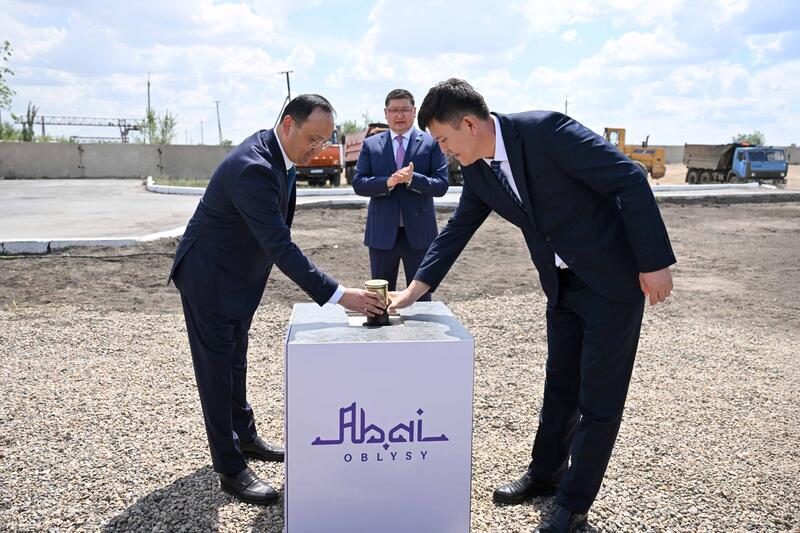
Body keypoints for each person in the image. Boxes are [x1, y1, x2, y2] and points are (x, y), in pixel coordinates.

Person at [389, 79, 675, 533]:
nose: (443, 151)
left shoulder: (547, 132)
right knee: (560, 386)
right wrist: (413, 291)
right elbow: (458, 229)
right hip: (560, 284)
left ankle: (574, 504)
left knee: (599, 398)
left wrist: (654, 261)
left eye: (443, 139)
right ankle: (546, 474)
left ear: (469, 124)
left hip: (611, 280)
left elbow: (629, 177)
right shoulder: (479, 170)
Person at [168, 94, 385, 505]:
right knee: (216, 374)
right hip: (209, 279)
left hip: (239, 279)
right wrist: (342, 296)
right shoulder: (252, 167)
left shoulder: (282, 157)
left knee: (236, 361)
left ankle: (245, 437)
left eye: (325, 142)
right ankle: (230, 467)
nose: (317, 149)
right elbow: (281, 246)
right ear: (288, 124)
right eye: (312, 139)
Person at [352, 88, 449, 299]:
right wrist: (388, 182)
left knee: (421, 298)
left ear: (414, 111)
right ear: (385, 113)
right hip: (382, 234)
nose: (399, 115)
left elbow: (441, 185)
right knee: (380, 297)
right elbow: (359, 184)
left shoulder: (431, 142)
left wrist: (413, 179)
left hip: (420, 233)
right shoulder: (371, 144)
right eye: (394, 110)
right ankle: (381, 322)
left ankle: (422, 323)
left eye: (404, 109)